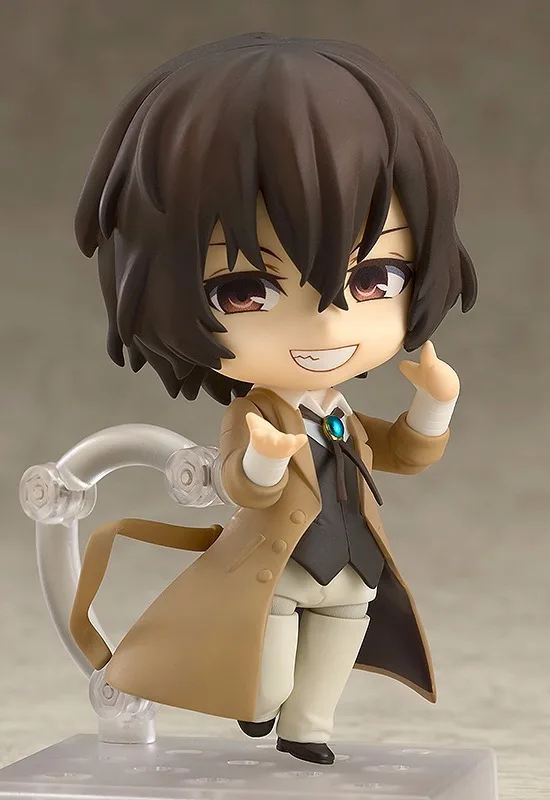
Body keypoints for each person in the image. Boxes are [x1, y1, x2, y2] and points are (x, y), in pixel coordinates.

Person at [70, 33, 477, 765]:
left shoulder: (340, 413)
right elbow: (243, 487)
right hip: (275, 576)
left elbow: (401, 454)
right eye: (245, 290)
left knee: (330, 659)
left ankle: (307, 730)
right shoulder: (257, 414)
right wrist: (264, 459)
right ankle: (260, 710)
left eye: (375, 278)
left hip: (352, 568)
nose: (327, 325)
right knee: (264, 683)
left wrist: (434, 405)